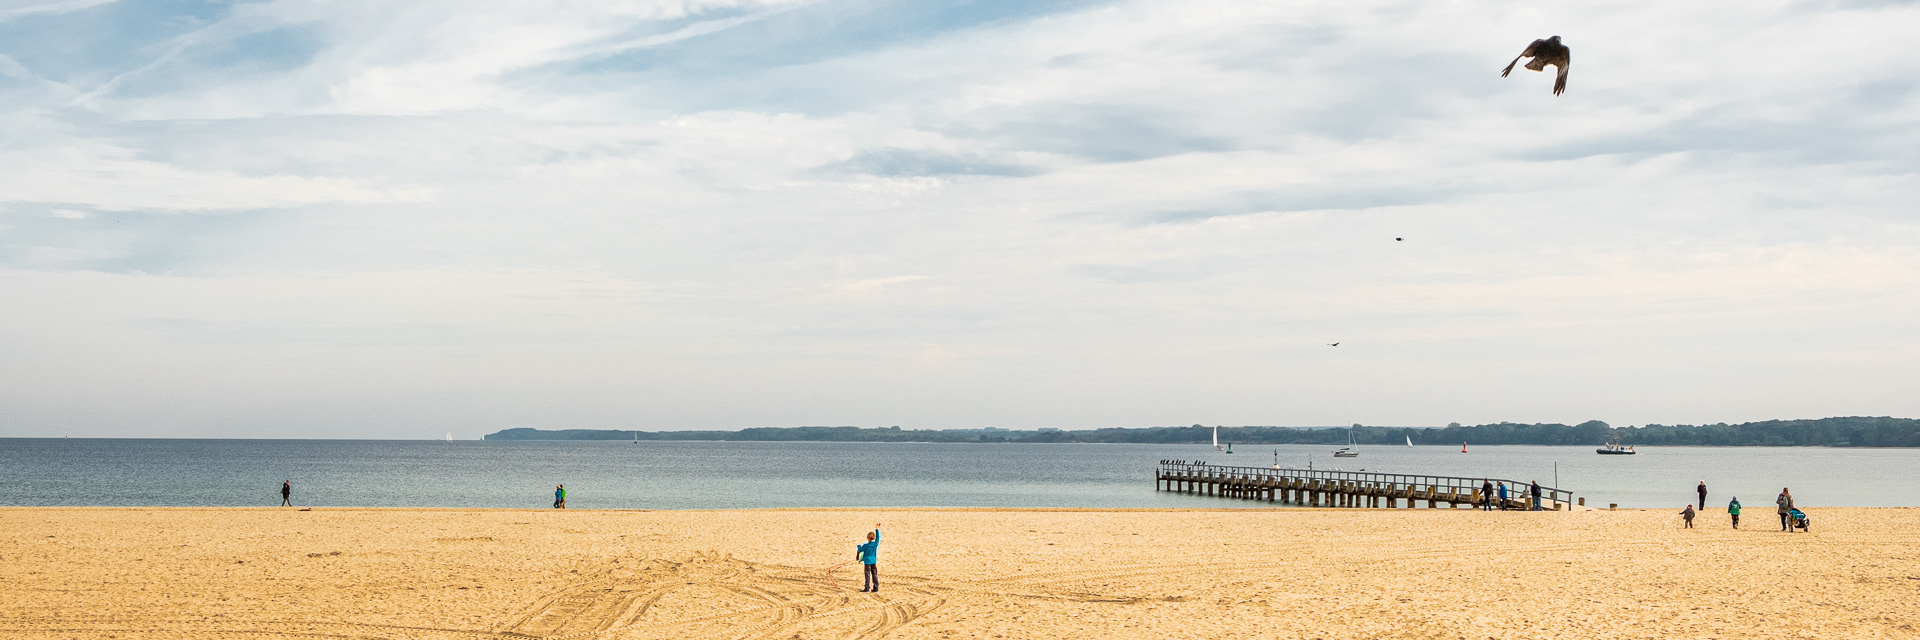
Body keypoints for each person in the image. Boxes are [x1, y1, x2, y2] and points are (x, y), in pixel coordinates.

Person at [855, 526, 881, 592]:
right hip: (873, 561)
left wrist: (858, 546)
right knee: (874, 574)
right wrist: (877, 529)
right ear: (874, 538)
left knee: (867, 575)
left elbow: (860, 550)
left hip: (867, 562)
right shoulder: (875, 544)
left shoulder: (865, 545)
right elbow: (878, 538)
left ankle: (867, 588)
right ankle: (876, 588)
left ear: (868, 538)